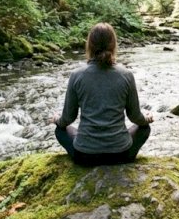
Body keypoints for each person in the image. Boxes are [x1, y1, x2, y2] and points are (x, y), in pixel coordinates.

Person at [51, 22, 153, 166]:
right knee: (144, 129)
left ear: (90, 45)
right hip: (121, 154)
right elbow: (135, 117)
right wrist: (147, 119)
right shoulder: (126, 75)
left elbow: (68, 118)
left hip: (85, 156)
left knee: (60, 131)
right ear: (113, 45)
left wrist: (57, 120)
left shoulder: (76, 75)